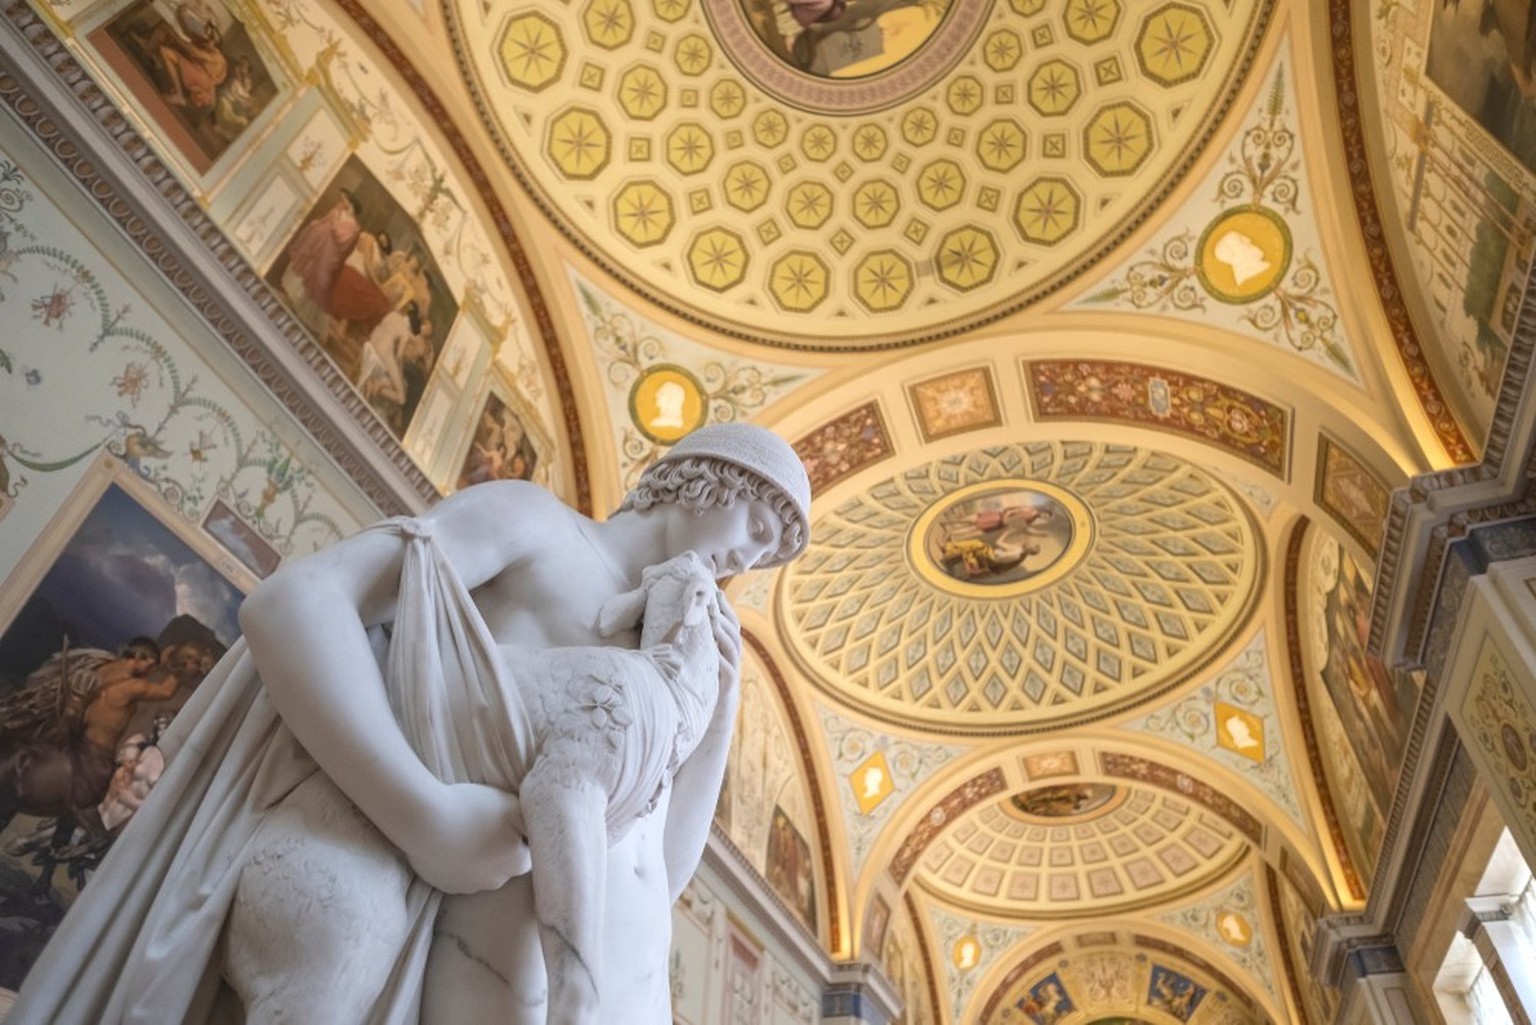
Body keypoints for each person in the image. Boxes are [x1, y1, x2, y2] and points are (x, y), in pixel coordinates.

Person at [9, 422, 811, 1025]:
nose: (748, 561)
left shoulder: (667, 661)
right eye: (757, 529)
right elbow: (299, 600)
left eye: (768, 554)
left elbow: (656, 876)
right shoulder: (539, 524)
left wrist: (717, 710)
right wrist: (425, 816)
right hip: (404, 885)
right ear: (706, 480)